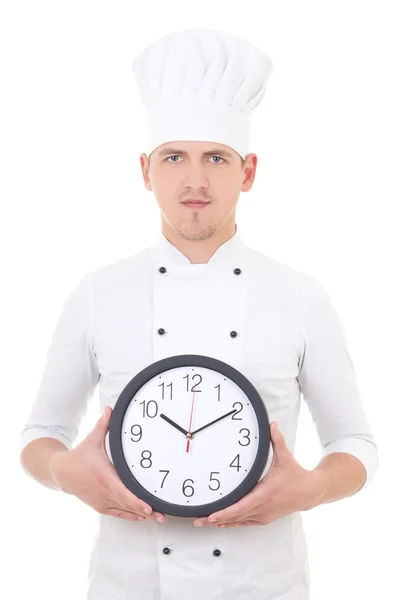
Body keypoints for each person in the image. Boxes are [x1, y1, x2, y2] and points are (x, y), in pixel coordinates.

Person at [19, 28, 378, 600]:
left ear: (249, 171)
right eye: (173, 158)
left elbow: (356, 444)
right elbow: (41, 434)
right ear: (145, 171)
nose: (194, 180)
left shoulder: (301, 296)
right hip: (128, 586)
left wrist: (308, 489)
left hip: (263, 586)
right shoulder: (96, 293)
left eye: (216, 157)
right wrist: (65, 474)